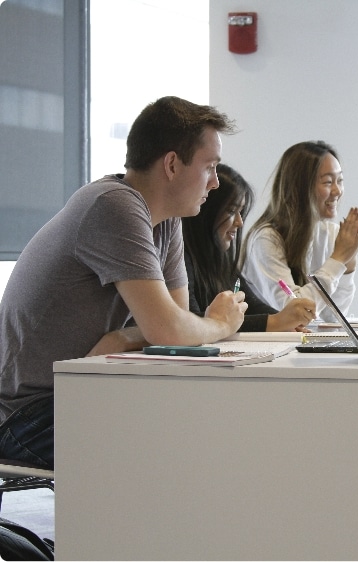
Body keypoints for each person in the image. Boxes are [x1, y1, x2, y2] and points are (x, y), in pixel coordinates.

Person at [0, 96, 248, 470]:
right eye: (210, 167)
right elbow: (175, 331)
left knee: (205, 427)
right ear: (171, 164)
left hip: (79, 390)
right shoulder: (113, 205)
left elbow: (177, 329)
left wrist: (124, 338)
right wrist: (220, 323)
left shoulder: (166, 221)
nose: (215, 182)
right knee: (180, 450)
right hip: (28, 415)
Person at [182, 163, 315, 332]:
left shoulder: (223, 262)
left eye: (241, 212)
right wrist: (274, 322)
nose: (240, 222)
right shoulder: (182, 259)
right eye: (231, 211)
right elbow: (189, 321)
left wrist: (288, 322)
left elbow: (253, 306)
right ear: (206, 212)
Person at [242, 141, 358, 322]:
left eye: (340, 180)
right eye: (328, 182)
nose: (337, 191)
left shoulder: (329, 232)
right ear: (299, 187)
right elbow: (294, 310)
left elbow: (333, 318)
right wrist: (337, 260)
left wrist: (348, 267)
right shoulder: (266, 239)